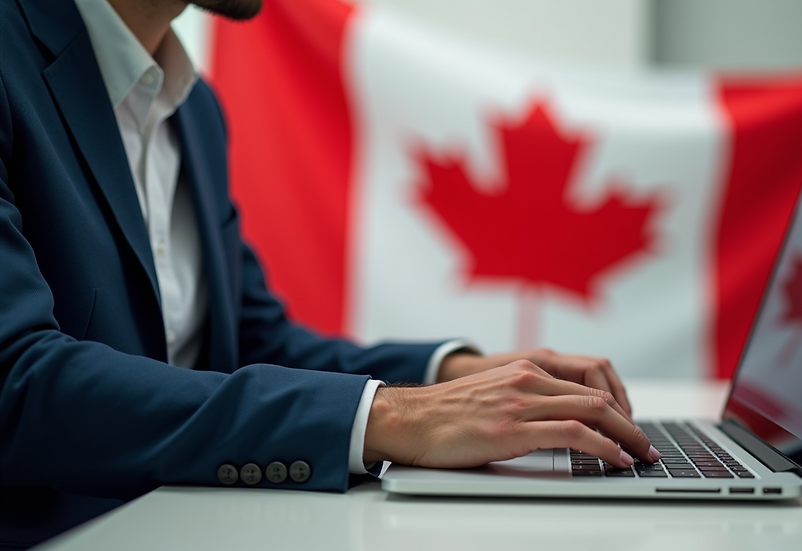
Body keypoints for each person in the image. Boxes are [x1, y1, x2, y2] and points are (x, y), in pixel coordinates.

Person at [0, 0, 657, 547]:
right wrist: (389, 417)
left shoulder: (196, 115)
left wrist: (458, 375)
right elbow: (16, 381)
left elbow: (257, 343)